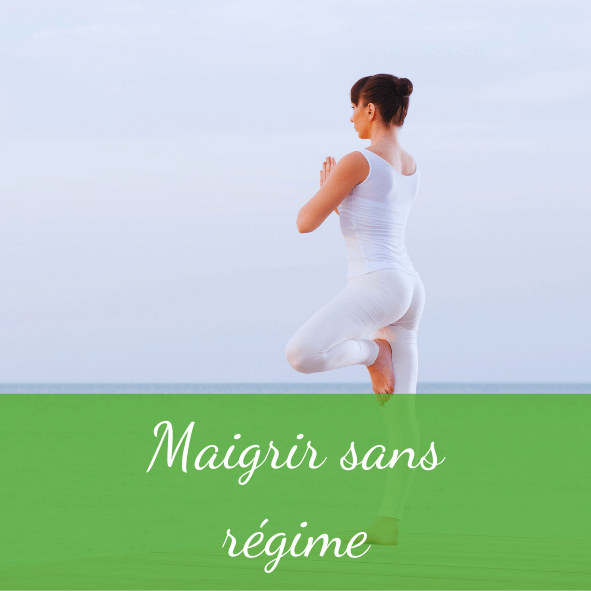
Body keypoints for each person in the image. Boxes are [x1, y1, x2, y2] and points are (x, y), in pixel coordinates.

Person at [284, 74, 425, 544]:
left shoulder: (357, 161)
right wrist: (342, 196)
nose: (349, 118)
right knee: (401, 416)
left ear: (370, 109)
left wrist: (329, 186)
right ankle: (390, 522)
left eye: (353, 107)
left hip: (377, 285)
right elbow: (371, 220)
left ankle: (371, 354)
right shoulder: (409, 164)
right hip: (408, 286)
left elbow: (305, 222)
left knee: (301, 355)